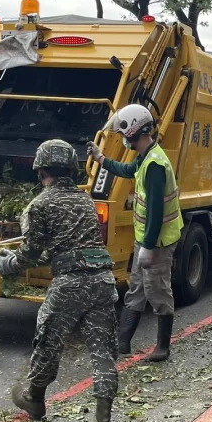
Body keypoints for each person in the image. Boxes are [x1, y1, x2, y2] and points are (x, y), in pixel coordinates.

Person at [0, 139, 119, 422]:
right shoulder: (86, 201)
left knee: (48, 341)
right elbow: (71, 247)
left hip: (70, 285)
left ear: (40, 170)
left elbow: (32, 253)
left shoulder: (40, 205)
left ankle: (34, 398)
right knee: (103, 354)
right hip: (103, 280)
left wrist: (8, 263)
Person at [86, 104, 183, 362]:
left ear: (133, 132)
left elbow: (155, 211)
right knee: (137, 287)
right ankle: (123, 341)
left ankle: (163, 346)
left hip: (159, 240)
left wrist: (149, 247)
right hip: (147, 238)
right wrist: (101, 159)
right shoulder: (144, 156)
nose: (122, 139)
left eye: (122, 135)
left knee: (157, 289)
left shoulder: (155, 165)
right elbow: (127, 171)